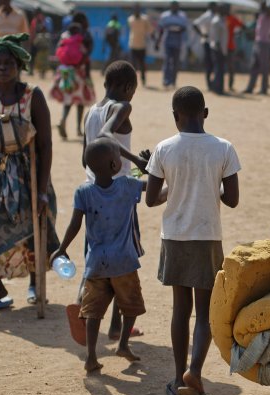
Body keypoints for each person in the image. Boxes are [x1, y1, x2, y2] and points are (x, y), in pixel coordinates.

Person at [144, 86, 240, 395]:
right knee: (204, 311)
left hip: (174, 237)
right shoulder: (223, 148)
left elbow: (151, 198)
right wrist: (209, 182)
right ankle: (194, 371)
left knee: (179, 309)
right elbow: (232, 199)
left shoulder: (164, 149)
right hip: (207, 237)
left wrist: (175, 181)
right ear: (206, 113)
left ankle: (177, 377)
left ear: (175, 117)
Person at [0, 34, 59, 312]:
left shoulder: (33, 96)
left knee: (31, 230)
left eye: (8, 63)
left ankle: (34, 283)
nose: (2, 67)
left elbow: (45, 145)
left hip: (27, 174)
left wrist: (41, 190)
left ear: (19, 65)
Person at [51, 139, 148, 373]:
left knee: (92, 312)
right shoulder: (127, 186)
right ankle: (123, 344)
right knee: (131, 306)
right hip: (124, 262)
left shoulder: (83, 191)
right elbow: (150, 186)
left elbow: (75, 224)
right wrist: (151, 166)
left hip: (96, 264)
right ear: (115, 164)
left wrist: (62, 248)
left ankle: (91, 356)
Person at [72, 60, 151, 342]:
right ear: (128, 87)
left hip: (93, 189)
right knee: (124, 257)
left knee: (100, 253)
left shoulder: (90, 112)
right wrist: (135, 161)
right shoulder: (121, 107)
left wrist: (127, 165)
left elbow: (86, 157)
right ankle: (118, 325)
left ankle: (103, 318)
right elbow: (107, 135)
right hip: (118, 194)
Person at [50, 19, 95, 140]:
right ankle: (78, 129)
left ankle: (63, 120)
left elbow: (59, 55)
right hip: (78, 73)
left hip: (66, 73)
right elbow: (85, 56)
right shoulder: (80, 39)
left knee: (68, 100)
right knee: (80, 102)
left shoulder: (63, 39)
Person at [156, 1, 187, 89]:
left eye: (176, 6)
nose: (174, 7)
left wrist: (178, 29)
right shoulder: (165, 15)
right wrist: (158, 41)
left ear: (178, 7)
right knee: (167, 61)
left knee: (176, 63)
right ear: (170, 7)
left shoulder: (182, 16)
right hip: (167, 42)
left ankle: (173, 81)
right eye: (173, 6)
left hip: (178, 42)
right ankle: (166, 80)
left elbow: (184, 28)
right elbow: (161, 29)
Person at [244, 1, 270, 95]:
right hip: (258, 43)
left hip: (264, 44)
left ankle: (264, 89)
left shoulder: (267, 16)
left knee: (264, 67)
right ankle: (250, 87)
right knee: (254, 66)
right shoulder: (261, 16)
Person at [127, 3, 153, 86]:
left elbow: (150, 30)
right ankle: (132, 82)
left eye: (138, 9)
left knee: (142, 65)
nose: (136, 11)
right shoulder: (130, 19)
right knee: (132, 66)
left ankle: (143, 80)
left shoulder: (145, 19)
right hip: (133, 45)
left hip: (142, 45)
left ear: (140, 10)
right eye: (135, 9)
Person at [192, 2, 216, 89]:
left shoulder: (214, 15)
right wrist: (202, 34)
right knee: (209, 64)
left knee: (212, 64)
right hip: (207, 42)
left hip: (212, 43)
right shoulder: (207, 15)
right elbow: (195, 24)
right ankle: (209, 84)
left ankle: (212, 83)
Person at [208, 4, 227, 95]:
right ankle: (217, 88)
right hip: (217, 49)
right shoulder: (216, 21)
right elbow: (215, 38)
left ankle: (219, 88)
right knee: (218, 69)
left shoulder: (222, 20)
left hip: (221, 49)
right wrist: (220, 50)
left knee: (220, 69)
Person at [224, 6, 242, 92]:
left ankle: (230, 86)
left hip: (230, 47)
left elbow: (242, 25)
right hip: (221, 47)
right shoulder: (220, 18)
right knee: (219, 67)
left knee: (231, 67)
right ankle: (219, 85)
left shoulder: (232, 18)